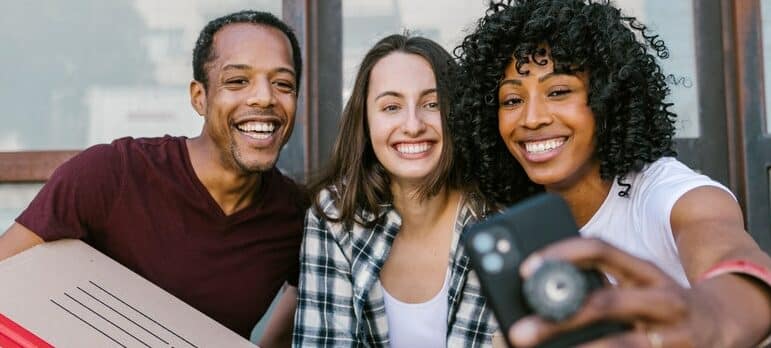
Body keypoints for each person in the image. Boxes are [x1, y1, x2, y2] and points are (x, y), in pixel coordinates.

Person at [453, 0, 771, 347]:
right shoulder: (512, 222)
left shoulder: (667, 194)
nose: (531, 118)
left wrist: (712, 318)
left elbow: (732, 257)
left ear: (607, 98)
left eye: (558, 92)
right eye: (512, 100)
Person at [0, 10, 306, 346]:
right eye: (237, 81)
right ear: (199, 97)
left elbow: (304, 294)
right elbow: (6, 277)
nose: (264, 97)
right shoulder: (111, 174)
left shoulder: (295, 217)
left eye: (282, 84)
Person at [292, 34, 502, 347]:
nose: (413, 124)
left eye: (432, 104)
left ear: (457, 114)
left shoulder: (495, 219)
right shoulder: (336, 215)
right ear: (365, 121)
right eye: (391, 107)